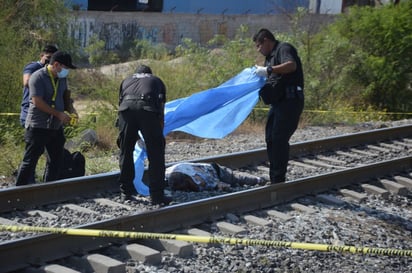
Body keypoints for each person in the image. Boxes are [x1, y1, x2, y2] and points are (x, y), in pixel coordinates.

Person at [15, 51, 78, 186]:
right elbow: (37, 101)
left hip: (55, 126)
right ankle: (18, 191)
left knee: (56, 159)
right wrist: (59, 114)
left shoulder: (62, 79)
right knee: (30, 160)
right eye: (65, 68)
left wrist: (72, 110)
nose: (66, 71)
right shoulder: (37, 77)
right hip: (38, 126)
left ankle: (49, 189)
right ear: (56, 64)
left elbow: (64, 97)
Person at [253, 28, 304, 184]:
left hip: (290, 102)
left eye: (258, 45)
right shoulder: (270, 57)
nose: (258, 49)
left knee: (279, 139)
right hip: (278, 103)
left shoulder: (284, 49)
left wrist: (268, 70)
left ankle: (278, 180)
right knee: (270, 138)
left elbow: (291, 66)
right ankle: (275, 177)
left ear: (267, 41)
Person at [117, 64, 172, 205]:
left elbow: (121, 103)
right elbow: (161, 110)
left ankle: (126, 193)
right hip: (147, 109)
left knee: (126, 151)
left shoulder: (126, 80)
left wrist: (127, 133)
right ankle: (157, 196)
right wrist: (159, 134)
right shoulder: (156, 80)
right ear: (149, 74)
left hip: (126, 109)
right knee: (156, 153)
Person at [166, 162, 264, 192]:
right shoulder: (169, 174)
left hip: (216, 171)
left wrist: (219, 186)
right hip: (207, 169)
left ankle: (259, 179)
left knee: (236, 179)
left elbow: (216, 183)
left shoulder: (199, 179)